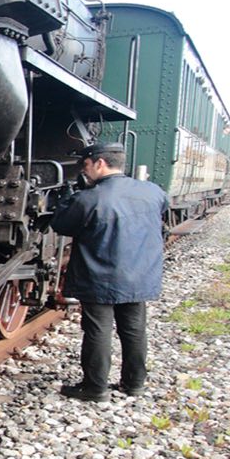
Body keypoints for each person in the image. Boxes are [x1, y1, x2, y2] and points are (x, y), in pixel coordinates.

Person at [50, 142, 169, 402]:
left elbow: (62, 225)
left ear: (99, 163)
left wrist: (69, 198)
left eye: (86, 165)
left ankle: (95, 388)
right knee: (135, 329)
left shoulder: (90, 197)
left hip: (100, 276)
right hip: (139, 274)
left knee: (98, 330)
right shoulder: (153, 191)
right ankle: (134, 383)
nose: (85, 171)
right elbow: (162, 209)